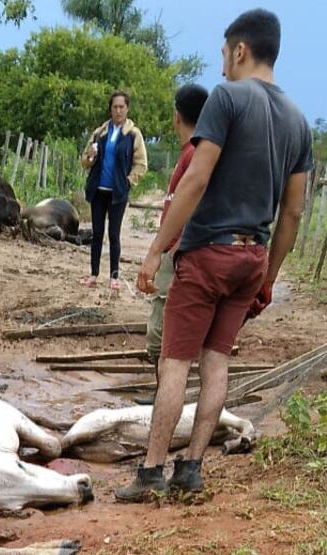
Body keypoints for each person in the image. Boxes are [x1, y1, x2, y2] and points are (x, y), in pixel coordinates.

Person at [116, 9, 313, 502]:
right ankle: (192, 468)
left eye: (225, 53)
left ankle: (151, 471)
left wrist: (155, 250)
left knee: (176, 361)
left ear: (240, 50)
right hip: (252, 258)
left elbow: (196, 180)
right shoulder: (298, 121)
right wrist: (267, 278)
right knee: (217, 362)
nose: (222, 64)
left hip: (207, 255)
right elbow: (291, 215)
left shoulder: (227, 98)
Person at [140, 84, 209, 402]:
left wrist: (164, 249)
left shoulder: (195, 154)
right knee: (164, 323)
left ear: (176, 116)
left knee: (162, 324)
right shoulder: (194, 153)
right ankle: (162, 395)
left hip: (177, 250)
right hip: (177, 248)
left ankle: (164, 398)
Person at [80, 91, 147, 291]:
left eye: (122, 107)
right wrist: (90, 156)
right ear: (110, 109)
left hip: (117, 192)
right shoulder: (99, 132)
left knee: (114, 234)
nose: (118, 110)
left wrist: (127, 182)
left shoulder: (133, 134)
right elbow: (85, 161)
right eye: (115, 107)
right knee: (97, 233)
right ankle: (93, 274)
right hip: (98, 189)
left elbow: (141, 164)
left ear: (127, 109)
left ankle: (114, 276)